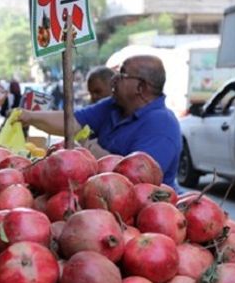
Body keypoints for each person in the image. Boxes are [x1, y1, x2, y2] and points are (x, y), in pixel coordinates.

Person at [20, 55, 182, 188]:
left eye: (122, 75)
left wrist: (100, 156)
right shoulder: (113, 106)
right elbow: (72, 122)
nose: (114, 79)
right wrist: (29, 117)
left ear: (141, 87)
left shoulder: (162, 125)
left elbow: (139, 183)